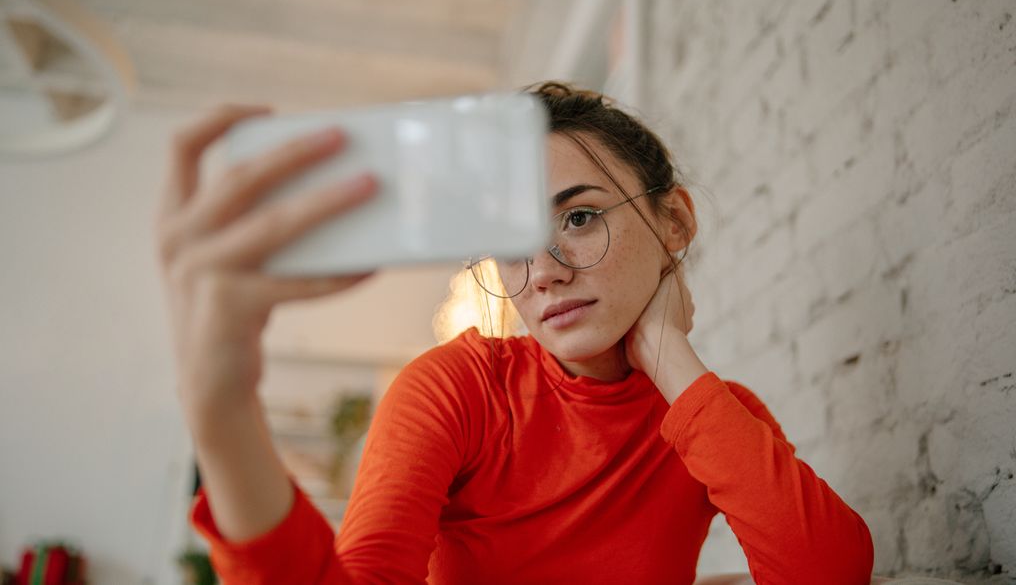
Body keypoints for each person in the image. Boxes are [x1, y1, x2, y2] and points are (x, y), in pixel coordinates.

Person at [155, 82, 874, 584]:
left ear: (674, 222)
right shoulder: (456, 389)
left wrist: (666, 353)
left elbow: (828, 572)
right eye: (513, 240)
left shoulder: (711, 415)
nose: (543, 273)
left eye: (581, 216)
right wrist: (221, 416)